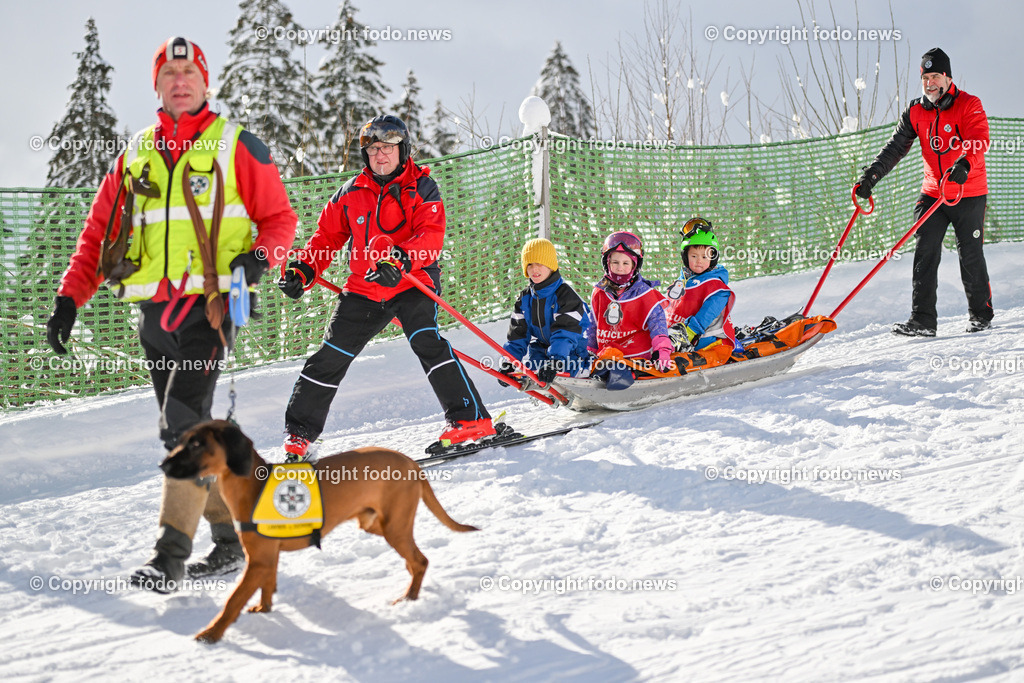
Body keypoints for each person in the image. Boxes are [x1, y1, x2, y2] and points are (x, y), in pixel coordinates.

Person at [45, 37, 297, 590]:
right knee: (179, 436)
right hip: (152, 317)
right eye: (169, 73)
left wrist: (257, 259)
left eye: (189, 71)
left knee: (185, 428)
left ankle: (169, 556)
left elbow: (280, 219)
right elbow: (97, 236)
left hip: (207, 312)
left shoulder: (237, 145)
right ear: (157, 85)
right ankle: (237, 541)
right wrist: (69, 298)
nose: (179, 81)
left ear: (205, 82)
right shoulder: (134, 153)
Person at [278, 114, 495, 458]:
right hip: (365, 288)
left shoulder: (422, 186)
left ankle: (470, 420)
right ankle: (300, 435)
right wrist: (303, 269)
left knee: (427, 340)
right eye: (374, 149)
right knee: (329, 357)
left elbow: (431, 236)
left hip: (411, 280)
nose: (381, 155)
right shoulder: (350, 193)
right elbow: (325, 238)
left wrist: (401, 260)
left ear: (403, 150)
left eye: (388, 148)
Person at [856, 47, 993, 337]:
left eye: (935, 77)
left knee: (970, 254)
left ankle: (981, 314)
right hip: (933, 193)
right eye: (925, 78)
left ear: (947, 76)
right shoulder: (915, 111)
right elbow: (895, 148)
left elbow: (979, 139)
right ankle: (923, 320)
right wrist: (872, 175)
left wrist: (965, 163)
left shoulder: (969, 104)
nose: (930, 83)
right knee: (925, 252)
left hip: (967, 192)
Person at [500, 238, 590, 383]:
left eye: (540, 263)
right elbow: (518, 335)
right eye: (530, 264)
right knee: (531, 375)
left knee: (564, 372)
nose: (534, 269)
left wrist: (556, 362)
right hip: (542, 351)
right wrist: (509, 362)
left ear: (551, 266)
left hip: (571, 352)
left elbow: (566, 333)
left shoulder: (566, 296)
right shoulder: (525, 299)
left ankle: (578, 376)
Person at [586, 231, 673, 380]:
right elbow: (593, 326)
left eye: (626, 263)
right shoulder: (599, 293)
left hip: (637, 359)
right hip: (607, 357)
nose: (620, 268)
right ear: (607, 263)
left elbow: (658, 326)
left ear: (634, 265)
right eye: (615, 262)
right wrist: (589, 351)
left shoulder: (646, 294)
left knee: (616, 378)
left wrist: (662, 351)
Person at [663, 217, 741, 364]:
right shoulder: (684, 281)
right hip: (679, 334)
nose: (699, 261)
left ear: (713, 258)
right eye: (694, 256)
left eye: (705, 256)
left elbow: (707, 314)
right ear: (685, 257)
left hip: (707, 340)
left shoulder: (716, 287)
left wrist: (689, 333)